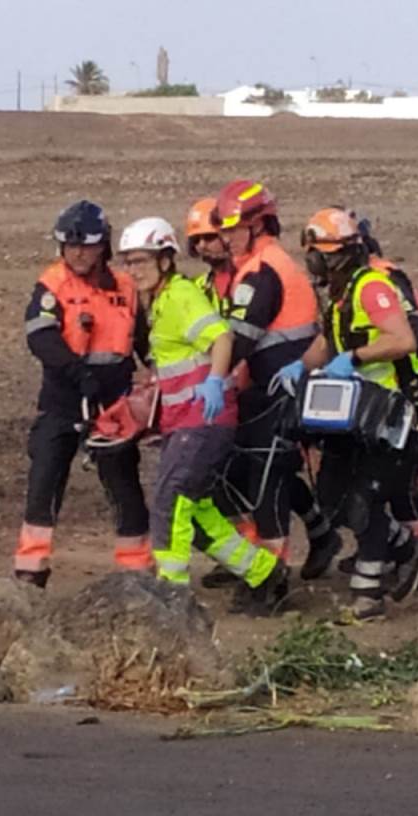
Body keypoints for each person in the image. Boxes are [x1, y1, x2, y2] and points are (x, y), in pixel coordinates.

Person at [116, 216, 289, 612]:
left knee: (170, 502)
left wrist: (215, 382)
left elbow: (222, 337)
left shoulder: (179, 297)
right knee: (195, 512)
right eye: (128, 262)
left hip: (203, 421)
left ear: (164, 260)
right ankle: (264, 572)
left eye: (141, 261)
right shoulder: (161, 302)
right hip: (185, 422)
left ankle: (171, 599)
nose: (133, 270)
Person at [276, 207, 418, 621]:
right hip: (352, 413)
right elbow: (327, 343)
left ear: (333, 254)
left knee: (364, 501)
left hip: (387, 412)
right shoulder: (341, 296)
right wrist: (300, 367)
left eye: (315, 254)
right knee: (332, 497)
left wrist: (355, 358)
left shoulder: (371, 289)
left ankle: (368, 598)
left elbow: (401, 339)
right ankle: (407, 547)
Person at [13, 200, 151, 588]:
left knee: (124, 485)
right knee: (44, 481)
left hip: (114, 404)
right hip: (63, 398)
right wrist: (78, 372)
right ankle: (30, 572)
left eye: (85, 246)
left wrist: (163, 376)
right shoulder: (52, 284)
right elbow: (40, 337)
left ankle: (136, 573)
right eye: (69, 245)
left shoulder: (126, 287)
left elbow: (144, 340)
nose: (76, 252)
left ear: (102, 246)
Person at [322, 212, 418, 581]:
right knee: (372, 486)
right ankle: (392, 549)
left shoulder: (380, 283)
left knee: (398, 485)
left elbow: (413, 337)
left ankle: (411, 557)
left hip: (410, 395)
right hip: (381, 398)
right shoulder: (347, 289)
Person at [213, 180, 323, 596]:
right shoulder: (263, 264)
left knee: (266, 479)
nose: (225, 238)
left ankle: (271, 579)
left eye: (232, 229)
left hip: (279, 393)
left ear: (257, 226)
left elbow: (239, 338)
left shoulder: (260, 273)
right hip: (274, 389)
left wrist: (207, 377)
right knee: (263, 474)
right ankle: (305, 543)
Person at [184, 196, 233, 313]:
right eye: (196, 240)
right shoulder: (197, 287)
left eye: (209, 237)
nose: (202, 245)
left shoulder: (250, 279)